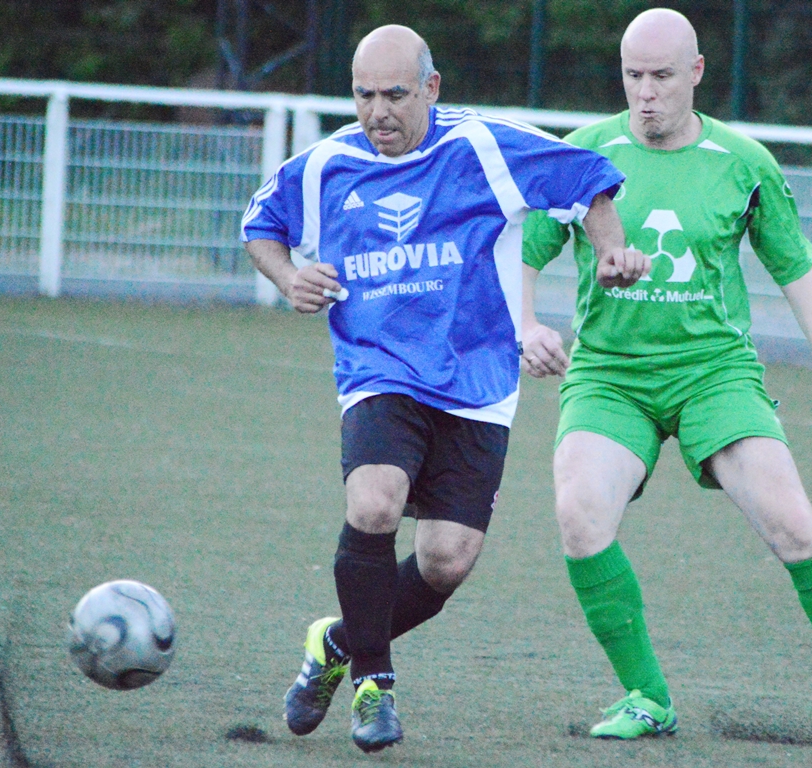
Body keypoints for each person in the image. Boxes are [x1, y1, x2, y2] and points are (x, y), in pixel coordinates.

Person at [521, 8, 812, 754]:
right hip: (609, 375)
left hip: (715, 373)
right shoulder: (583, 153)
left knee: (793, 525)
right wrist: (524, 323)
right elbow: (523, 251)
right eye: (633, 76)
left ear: (697, 72)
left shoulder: (743, 162)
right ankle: (648, 697)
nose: (646, 93)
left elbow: (795, 266)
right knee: (579, 515)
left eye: (661, 76)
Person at [241, 24, 641, 754]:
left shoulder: (481, 148)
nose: (377, 112)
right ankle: (375, 687)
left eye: (394, 94)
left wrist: (611, 249)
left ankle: (336, 643)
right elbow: (260, 225)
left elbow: (588, 178)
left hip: (476, 383)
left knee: (446, 561)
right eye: (363, 95)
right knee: (374, 502)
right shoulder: (328, 165)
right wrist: (289, 275)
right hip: (379, 369)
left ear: (431, 88)